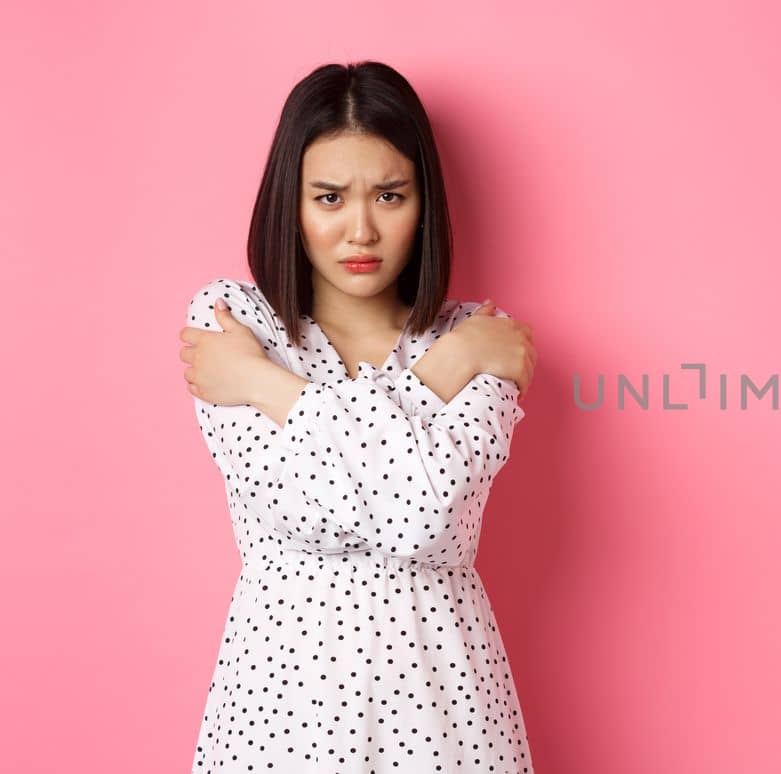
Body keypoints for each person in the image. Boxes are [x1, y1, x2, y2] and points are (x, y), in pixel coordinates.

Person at [176, 61, 538, 773]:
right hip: (278, 705)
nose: (361, 229)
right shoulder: (236, 322)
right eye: (330, 197)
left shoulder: (476, 336)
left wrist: (264, 386)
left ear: (422, 204)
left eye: (390, 195)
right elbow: (297, 509)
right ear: (293, 202)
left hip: (446, 704)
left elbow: (421, 521)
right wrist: (439, 381)